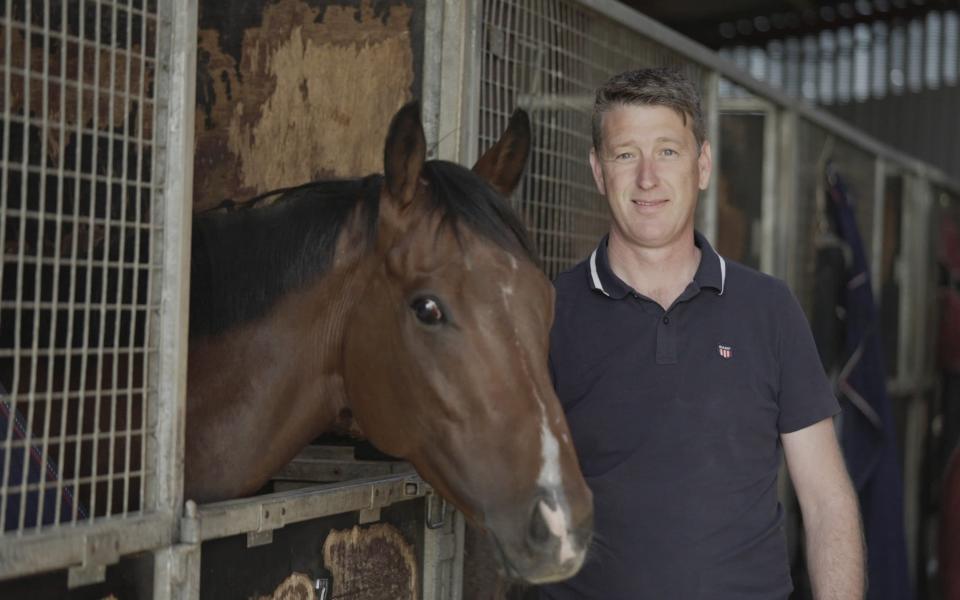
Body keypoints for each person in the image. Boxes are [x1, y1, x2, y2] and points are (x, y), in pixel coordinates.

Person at [538, 67, 865, 599]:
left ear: (702, 165)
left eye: (668, 151)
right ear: (599, 172)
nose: (647, 178)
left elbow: (827, 499)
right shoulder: (549, 313)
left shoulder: (769, 309)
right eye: (626, 155)